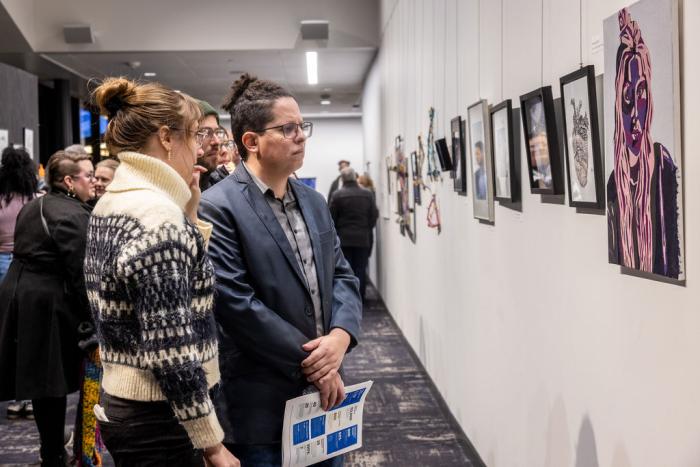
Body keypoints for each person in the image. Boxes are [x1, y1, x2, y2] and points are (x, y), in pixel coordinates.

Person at [200, 73, 362, 466]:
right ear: (251, 142)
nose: (300, 136)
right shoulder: (216, 206)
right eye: (287, 128)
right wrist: (318, 366)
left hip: (325, 396)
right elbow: (236, 304)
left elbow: (342, 275)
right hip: (261, 401)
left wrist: (341, 336)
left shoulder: (314, 200)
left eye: (302, 126)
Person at [85, 77, 238, 467]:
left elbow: (171, 289)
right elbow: (170, 351)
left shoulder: (118, 200)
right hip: (162, 416)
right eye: (193, 136)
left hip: (130, 401)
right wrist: (211, 444)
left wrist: (189, 213)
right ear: (167, 138)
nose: (200, 148)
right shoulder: (157, 218)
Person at [0, 150, 95, 466]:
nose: (93, 182)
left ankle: (51, 451)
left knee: (42, 384)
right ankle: (60, 452)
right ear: (69, 180)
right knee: (51, 382)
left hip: (22, 298)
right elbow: (82, 274)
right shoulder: (72, 214)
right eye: (88, 176)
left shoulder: (34, 205)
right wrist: (91, 319)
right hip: (48, 304)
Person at [607, 8, 680, 278]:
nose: (635, 116)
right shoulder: (614, 186)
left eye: (641, 95)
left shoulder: (664, 168)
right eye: (627, 98)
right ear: (617, 104)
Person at [0, 147, 39, 421]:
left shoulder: (0, 200)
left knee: (5, 332)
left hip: (1, 265)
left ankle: (13, 397)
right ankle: (29, 396)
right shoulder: (36, 200)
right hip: (27, 266)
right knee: (26, 332)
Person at [329, 168, 378, 300]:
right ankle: (360, 297)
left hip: (343, 239)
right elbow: (374, 216)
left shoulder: (337, 195)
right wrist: (366, 228)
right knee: (361, 268)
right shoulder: (367, 194)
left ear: (343, 179)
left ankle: (349, 298)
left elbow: (331, 219)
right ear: (354, 177)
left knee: (345, 270)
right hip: (362, 237)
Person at [196, 100, 226, 191]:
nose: (216, 142)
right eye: (205, 132)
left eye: (217, 132)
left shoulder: (221, 185)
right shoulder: (171, 194)